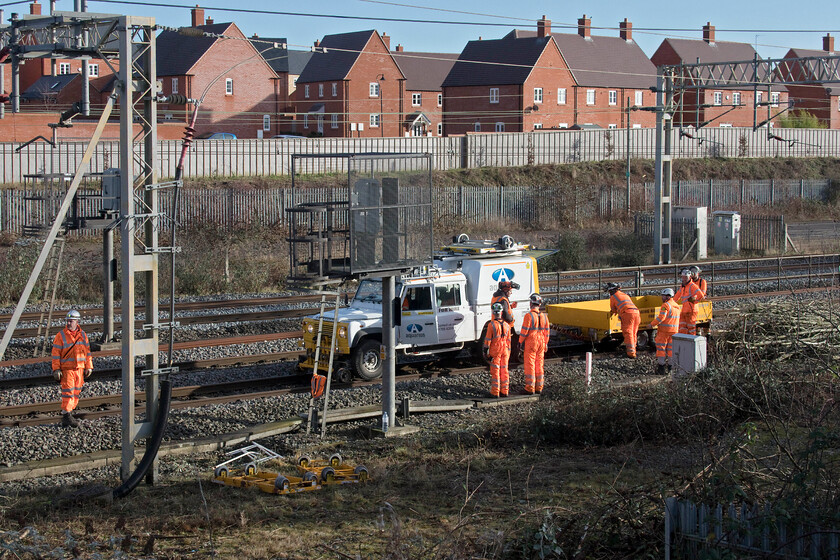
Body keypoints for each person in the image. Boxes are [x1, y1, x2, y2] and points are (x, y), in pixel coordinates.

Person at [52, 309, 93, 427]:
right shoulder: (61, 336)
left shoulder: (83, 335)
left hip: (79, 369)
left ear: (77, 322)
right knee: (68, 392)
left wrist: (89, 366)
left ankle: (68, 414)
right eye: (68, 321)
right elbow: (56, 354)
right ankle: (66, 414)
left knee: (76, 392)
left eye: (71, 321)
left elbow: (87, 352)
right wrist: (56, 369)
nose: (69, 323)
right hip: (68, 370)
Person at [519, 293, 549, 394]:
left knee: (530, 364)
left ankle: (530, 388)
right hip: (542, 342)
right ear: (539, 304)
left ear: (531, 303)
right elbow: (547, 332)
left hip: (532, 342)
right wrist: (545, 343)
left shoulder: (529, 316)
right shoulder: (544, 316)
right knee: (539, 364)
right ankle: (539, 387)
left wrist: (520, 342)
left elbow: (524, 331)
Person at [647, 288, 679, 375]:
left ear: (668, 296)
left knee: (661, 349)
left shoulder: (665, 305)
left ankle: (661, 368)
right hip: (674, 332)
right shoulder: (676, 306)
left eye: (663, 296)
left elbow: (661, 317)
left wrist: (652, 324)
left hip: (664, 332)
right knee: (671, 350)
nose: (662, 297)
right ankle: (670, 368)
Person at [605, 282, 641, 359]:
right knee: (634, 332)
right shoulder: (625, 295)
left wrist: (613, 313)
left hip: (627, 313)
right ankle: (633, 349)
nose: (609, 293)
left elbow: (613, 309)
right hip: (636, 313)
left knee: (628, 332)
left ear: (612, 290)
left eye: (609, 291)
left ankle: (631, 353)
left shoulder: (613, 297)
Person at [483, 302, 512, 397]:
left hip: (496, 349)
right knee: (505, 370)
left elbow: (487, 340)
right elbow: (508, 340)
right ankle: (505, 391)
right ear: (501, 312)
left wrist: (485, 350)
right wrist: (508, 351)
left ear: (493, 312)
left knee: (496, 371)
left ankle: (495, 392)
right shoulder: (507, 325)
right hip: (505, 349)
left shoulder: (492, 325)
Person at [674, 268, 705, 335]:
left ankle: (691, 342)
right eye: (683, 277)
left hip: (691, 310)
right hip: (684, 310)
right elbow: (677, 296)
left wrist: (694, 301)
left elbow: (701, 296)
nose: (684, 279)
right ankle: (684, 341)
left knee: (691, 329)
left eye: (685, 277)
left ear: (689, 277)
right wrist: (671, 304)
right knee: (682, 327)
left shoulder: (693, 286)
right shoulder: (683, 286)